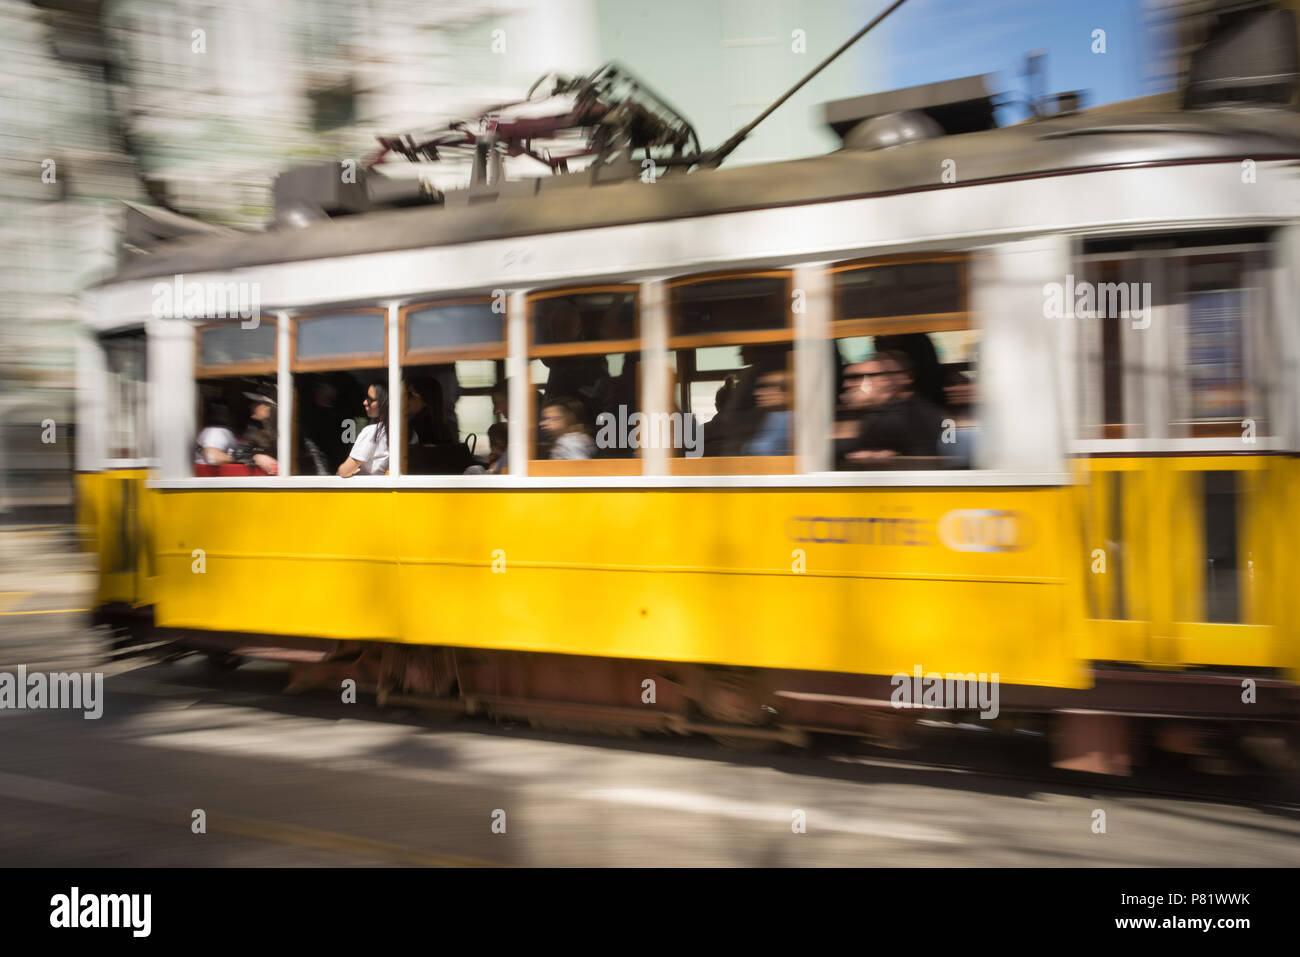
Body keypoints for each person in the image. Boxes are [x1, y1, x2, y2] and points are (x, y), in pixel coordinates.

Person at [837, 350, 944, 466]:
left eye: (856, 378)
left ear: (885, 380)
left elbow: (846, 451)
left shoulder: (894, 417)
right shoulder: (900, 410)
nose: (847, 385)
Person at [337, 382, 390, 477]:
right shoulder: (406, 432)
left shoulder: (372, 432)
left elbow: (345, 471)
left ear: (384, 403)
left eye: (370, 400)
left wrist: (340, 470)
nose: (365, 402)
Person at [744, 369, 791, 455]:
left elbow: (762, 450)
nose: (757, 393)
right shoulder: (771, 416)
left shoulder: (784, 418)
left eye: (766, 386)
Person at [234, 383, 278, 475]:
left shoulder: (289, 430)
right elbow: (238, 454)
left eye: (256, 403)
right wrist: (256, 457)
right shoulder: (253, 429)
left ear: (267, 406)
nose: (251, 406)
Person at [194, 402, 238, 466]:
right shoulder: (215, 432)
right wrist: (236, 459)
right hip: (209, 474)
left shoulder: (210, 431)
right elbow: (212, 457)